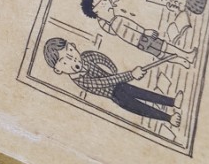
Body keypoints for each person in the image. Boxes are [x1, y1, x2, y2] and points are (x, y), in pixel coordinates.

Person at [44, 37, 183, 125]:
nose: (72, 59)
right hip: (116, 95)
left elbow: (98, 57)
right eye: (64, 62)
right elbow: (105, 81)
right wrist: (130, 74)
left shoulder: (85, 57)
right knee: (141, 108)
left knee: (143, 93)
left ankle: (172, 102)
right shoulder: (82, 81)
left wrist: (112, 67)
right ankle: (169, 118)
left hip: (119, 83)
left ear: (74, 46)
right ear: (58, 70)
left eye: (70, 51)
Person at [80, 0, 197, 68]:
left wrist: (100, 17)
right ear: (97, 10)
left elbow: (112, 30)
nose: (108, 3)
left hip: (139, 44)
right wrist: (145, 31)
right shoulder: (118, 20)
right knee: (165, 47)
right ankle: (186, 56)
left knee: (161, 54)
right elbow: (133, 27)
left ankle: (183, 61)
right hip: (144, 37)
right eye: (103, 2)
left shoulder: (112, 24)